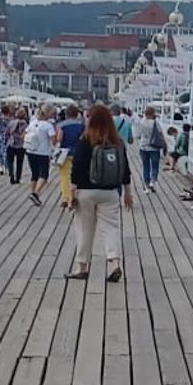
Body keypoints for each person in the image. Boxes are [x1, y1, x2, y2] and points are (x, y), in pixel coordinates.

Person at [68, 104, 134, 282]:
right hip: (110, 192)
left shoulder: (85, 140)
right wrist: (128, 193)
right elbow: (125, 169)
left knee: (84, 229)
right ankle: (114, 264)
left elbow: (77, 168)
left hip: (86, 192)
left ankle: (82, 267)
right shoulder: (117, 141)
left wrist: (71, 193)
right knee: (111, 228)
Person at [24, 106, 58, 206]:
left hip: (31, 151)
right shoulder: (48, 125)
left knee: (34, 174)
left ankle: (32, 192)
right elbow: (53, 140)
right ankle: (35, 193)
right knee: (44, 175)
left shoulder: (32, 123)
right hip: (42, 152)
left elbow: (25, 134)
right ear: (48, 114)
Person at [57, 106, 84, 210]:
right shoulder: (82, 125)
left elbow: (59, 138)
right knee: (78, 175)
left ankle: (65, 198)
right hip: (78, 152)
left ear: (66, 114)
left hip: (65, 153)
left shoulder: (61, 125)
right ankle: (76, 196)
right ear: (77, 114)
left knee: (64, 176)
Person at [136, 106, 166, 187]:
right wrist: (164, 144)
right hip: (154, 147)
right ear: (153, 113)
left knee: (146, 166)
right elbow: (160, 134)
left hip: (143, 146)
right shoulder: (155, 122)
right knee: (155, 165)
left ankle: (146, 182)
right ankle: (153, 180)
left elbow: (138, 135)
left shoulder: (140, 122)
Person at [3, 106, 26, 185]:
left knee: (10, 162)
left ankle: (11, 176)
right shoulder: (25, 123)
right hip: (21, 145)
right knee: (19, 162)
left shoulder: (11, 122)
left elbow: (6, 133)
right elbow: (26, 134)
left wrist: (8, 139)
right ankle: (18, 178)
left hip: (11, 144)